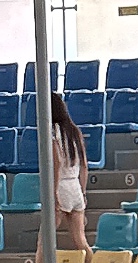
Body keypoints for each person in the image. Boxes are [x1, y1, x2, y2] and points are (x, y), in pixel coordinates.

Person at [51, 92, 89, 254]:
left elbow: (57, 163)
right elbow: (84, 166)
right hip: (75, 186)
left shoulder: (52, 132)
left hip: (61, 185)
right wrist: (83, 192)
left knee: (44, 241)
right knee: (80, 241)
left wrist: (54, 194)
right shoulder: (75, 131)